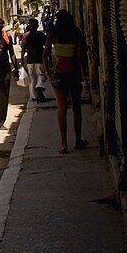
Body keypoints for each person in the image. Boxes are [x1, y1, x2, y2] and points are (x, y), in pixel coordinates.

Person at [43, 9, 87, 154]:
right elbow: (80, 58)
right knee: (76, 108)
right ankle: (78, 140)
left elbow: (45, 55)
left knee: (61, 108)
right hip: (73, 74)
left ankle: (63, 143)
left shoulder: (53, 35)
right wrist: (84, 77)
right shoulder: (76, 34)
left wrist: (49, 74)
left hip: (58, 74)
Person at [21, 17, 48, 102]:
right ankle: (39, 87)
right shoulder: (41, 35)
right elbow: (47, 47)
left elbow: (23, 49)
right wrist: (48, 59)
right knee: (41, 75)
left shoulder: (26, 36)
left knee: (32, 78)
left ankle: (33, 96)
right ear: (37, 26)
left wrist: (22, 61)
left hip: (30, 60)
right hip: (39, 59)